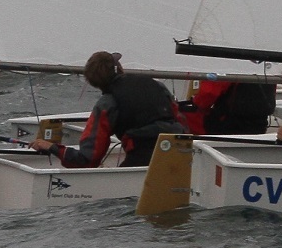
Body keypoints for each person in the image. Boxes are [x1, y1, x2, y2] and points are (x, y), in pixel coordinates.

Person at [30, 51, 186, 168]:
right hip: (181, 151)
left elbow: (88, 159)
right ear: (119, 68)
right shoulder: (155, 84)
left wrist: (52, 147)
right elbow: (179, 118)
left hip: (143, 160)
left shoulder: (106, 105)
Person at [179, 77, 275, 136]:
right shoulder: (266, 66)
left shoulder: (227, 65)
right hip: (259, 125)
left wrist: (196, 102)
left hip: (226, 125)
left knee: (177, 115)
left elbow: (208, 95)